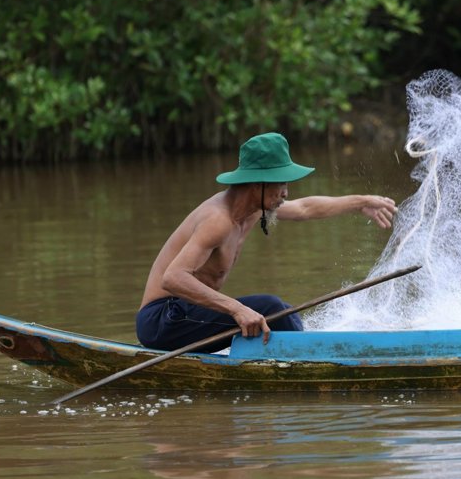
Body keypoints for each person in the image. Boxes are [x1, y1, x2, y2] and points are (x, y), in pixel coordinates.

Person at [136, 132, 397, 353]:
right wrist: (238, 310)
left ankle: (306, 356)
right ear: (256, 184)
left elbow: (305, 208)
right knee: (271, 307)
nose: (286, 192)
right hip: (162, 320)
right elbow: (172, 278)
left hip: (187, 315)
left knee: (283, 310)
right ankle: (310, 359)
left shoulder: (253, 209)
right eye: (280, 183)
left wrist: (361, 202)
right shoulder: (218, 220)